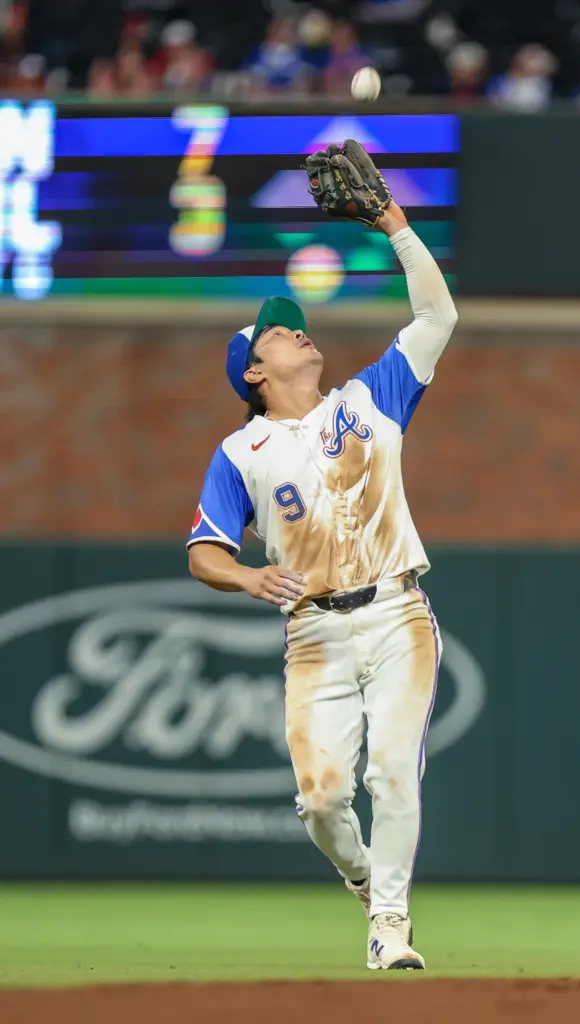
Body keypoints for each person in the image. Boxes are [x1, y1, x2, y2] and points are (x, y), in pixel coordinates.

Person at [187, 152, 458, 971]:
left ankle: (389, 929)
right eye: (277, 329)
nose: (296, 327)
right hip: (311, 634)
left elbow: (437, 317)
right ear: (255, 372)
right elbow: (204, 549)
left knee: (391, 774)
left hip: (396, 612)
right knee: (320, 802)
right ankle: (366, 881)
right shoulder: (242, 450)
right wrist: (243, 575)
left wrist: (397, 229)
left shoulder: (370, 398)